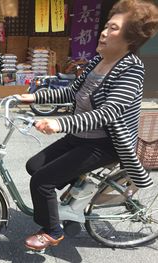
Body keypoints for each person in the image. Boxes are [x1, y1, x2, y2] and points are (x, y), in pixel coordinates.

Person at [16, 0, 158, 252]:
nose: (104, 32)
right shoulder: (97, 61)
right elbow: (73, 92)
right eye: (106, 26)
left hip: (105, 143)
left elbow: (108, 113)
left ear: (129, 38)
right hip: (81, 136)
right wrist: (35, 97)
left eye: (113, 28)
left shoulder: (131, 69)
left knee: (42, 181)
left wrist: (59, 123)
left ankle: (53, 231)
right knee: (34, 166)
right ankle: (73, 205)